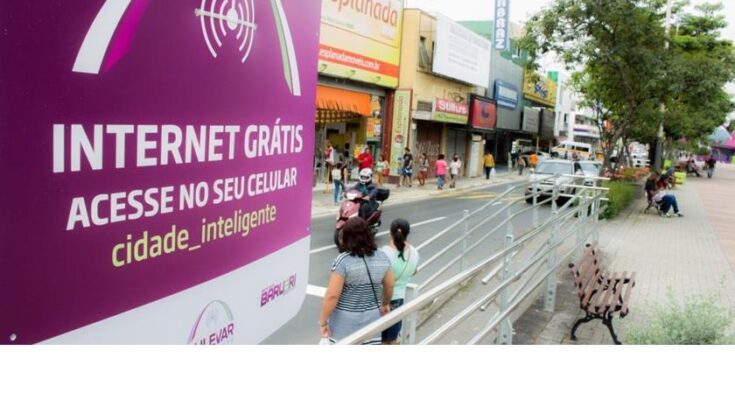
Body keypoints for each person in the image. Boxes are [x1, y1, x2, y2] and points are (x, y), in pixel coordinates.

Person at [319, 218, 395, 344]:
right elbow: (390, 285)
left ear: (346, 237)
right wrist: (385, 303)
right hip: (372, 320)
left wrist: (323, 322)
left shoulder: (343, 260)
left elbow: (332, 296)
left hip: (344, 323)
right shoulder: (382, 256)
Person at [380, 219, 420, 345]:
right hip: (398, 301)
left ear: (390, 233)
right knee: (392, 339)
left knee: (376, 339)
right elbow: (414, 271)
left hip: (382, 301)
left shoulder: (384, 253)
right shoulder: (414, 253)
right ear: (407, 234)